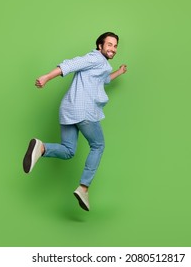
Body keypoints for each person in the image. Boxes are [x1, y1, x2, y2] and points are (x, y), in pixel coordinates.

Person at [23, 32, 127, 211]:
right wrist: (47, 77)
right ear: (100, 46)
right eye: (109, 44)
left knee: (69, 150)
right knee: (98, 146)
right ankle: (83, 188)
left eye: (115, 45)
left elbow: (104, 80)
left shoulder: (101, 65)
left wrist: (119, 71)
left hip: (68, 109)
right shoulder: (94, 58)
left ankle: (42, 147)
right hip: (84, 110)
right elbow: (71, 64)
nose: (113, 49)